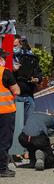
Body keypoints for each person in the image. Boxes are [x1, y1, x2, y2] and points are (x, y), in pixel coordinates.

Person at [0, 48, 21, 177]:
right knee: (3, 141)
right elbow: (17, 91)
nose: (5, 60)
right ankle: (2, 169)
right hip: (5, 112)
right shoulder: (5, 72)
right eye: (3, 58)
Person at [13, 35, 43, 123]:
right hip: (15, 97)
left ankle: (27, 137)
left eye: (15, 46)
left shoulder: (29, 58)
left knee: (29, 123)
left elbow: (39, 73)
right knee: (16, 124)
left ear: (21, 45)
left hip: (29, 96)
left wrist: (37, 79)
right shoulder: (7, 59)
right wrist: (12, 69)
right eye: (11, 46)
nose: (13, 48)